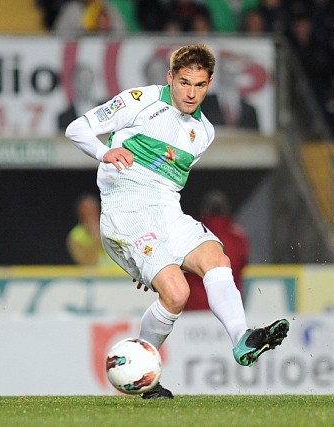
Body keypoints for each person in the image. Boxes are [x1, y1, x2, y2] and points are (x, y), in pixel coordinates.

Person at [65, 44, 289, 399]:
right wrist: (104, 152)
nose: (190, 93)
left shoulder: (205, 133)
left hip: (167, 212)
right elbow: (76, 128)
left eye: (199, 85)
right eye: (184, 82)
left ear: (209, 84)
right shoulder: (140, 101)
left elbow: (166, 182)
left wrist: (153, 261)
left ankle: (241, 338)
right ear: (170, 77)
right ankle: (144, 379)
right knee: (177, 292)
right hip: (126, 211)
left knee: (216, 259)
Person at [184, 190, 249, 311]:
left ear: (204, 211)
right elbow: (242, 265)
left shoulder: (191, 233)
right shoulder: (238, 237)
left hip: (194, 306)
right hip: (228, 306)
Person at [67, 193, 113, 266]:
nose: (90, 215)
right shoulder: (75, 237)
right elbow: (87, 263)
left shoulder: (112, 227)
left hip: (119, 272)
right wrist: (97, 238)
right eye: (86, 212)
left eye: (92, 211)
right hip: (97, 273)